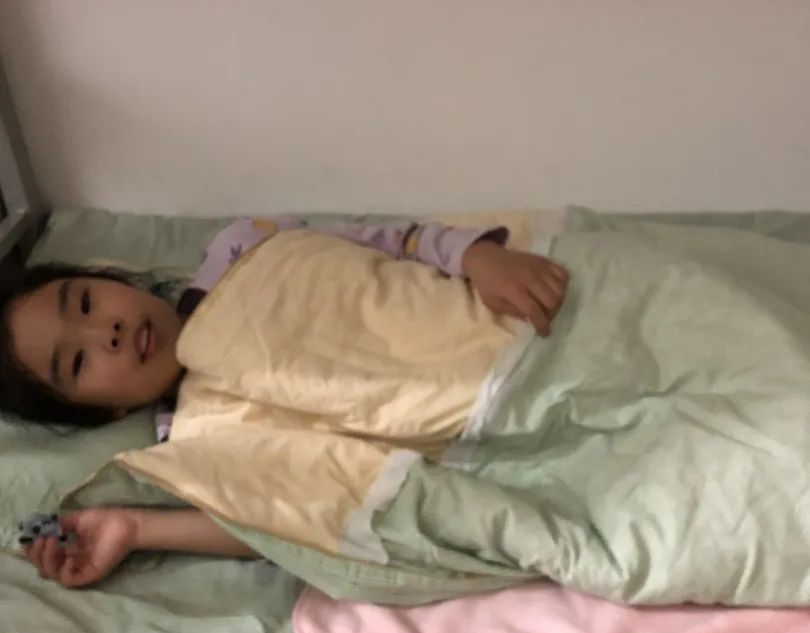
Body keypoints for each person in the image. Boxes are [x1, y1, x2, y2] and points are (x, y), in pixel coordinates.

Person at [0, 217, 568, 588]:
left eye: (85, 302)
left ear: (105, 278)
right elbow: (278, 519)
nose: (107, 332)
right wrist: (135, 527)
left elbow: (386, 242)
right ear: (107, 413)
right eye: (77, 362)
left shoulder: (240, 251)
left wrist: (474, 256)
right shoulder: (190, 442)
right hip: (472, 431)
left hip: (500, 331)